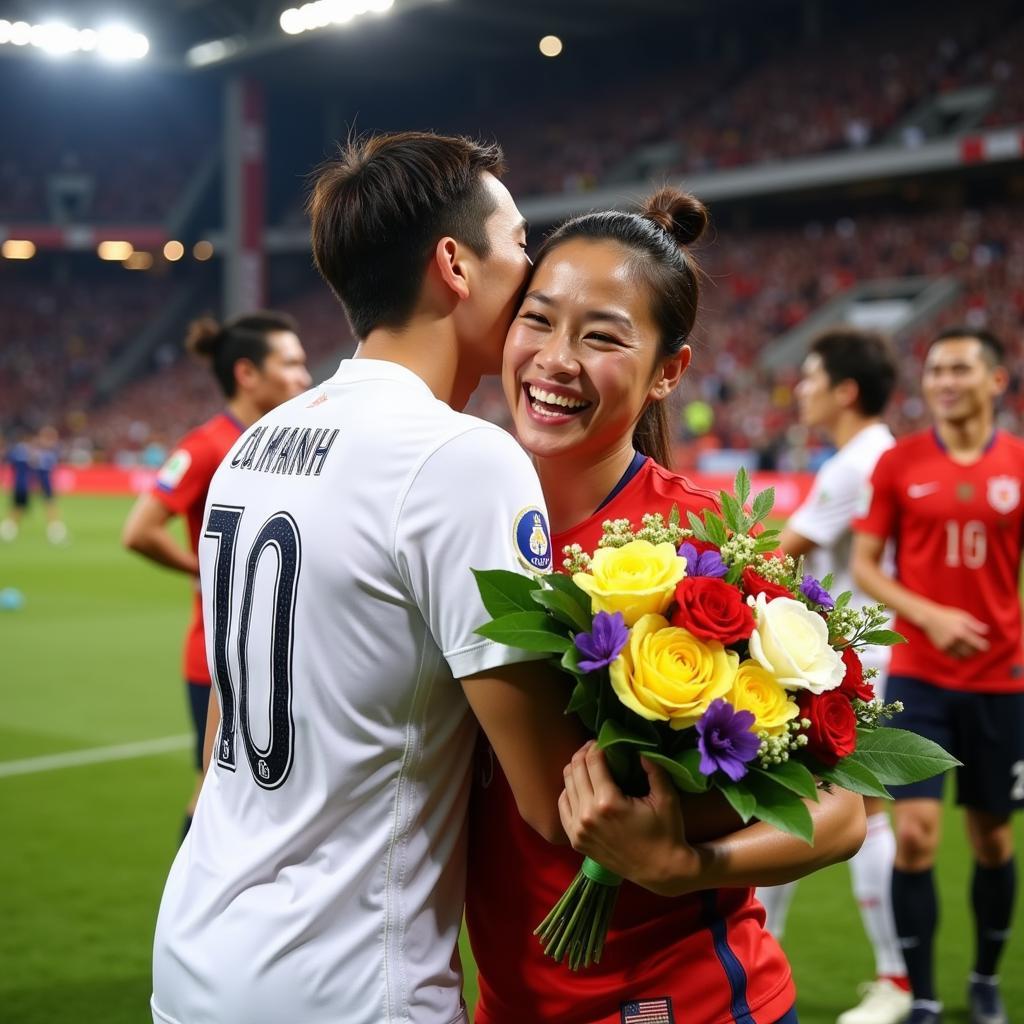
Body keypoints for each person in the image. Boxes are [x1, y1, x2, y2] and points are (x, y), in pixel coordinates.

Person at [150, 132, 590, 1024]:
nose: (533, 268)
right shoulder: (462, 459)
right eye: (518, 242)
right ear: (455, 265)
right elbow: (551, 801)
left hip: (197, 943)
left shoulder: (252, 445)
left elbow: (227, 724)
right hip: (343, 980)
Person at [466, 189, 867, 1024]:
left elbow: (840, 814)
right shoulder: (455, 514)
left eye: (603, 336)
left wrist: (689, 863)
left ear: (668, 374)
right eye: (536, 320)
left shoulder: (706, 548)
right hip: (507, 1003)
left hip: (687, 1004)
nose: (555, 359)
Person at [851, 327, 1024, 1024]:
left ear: (994, 382)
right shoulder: (898, 464)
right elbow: (866, 564)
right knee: (916, 834)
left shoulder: (1017, 462)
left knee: (993, 840)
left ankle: (984, 976)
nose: (944, 381)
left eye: (959, 369)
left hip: (1000, 680)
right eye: (935, 371)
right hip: (918, 676)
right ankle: (920, 993)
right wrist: (933, 616)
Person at [756, 329, 910, 1024]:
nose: (802, 388)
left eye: (812, 377)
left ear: (846, 391)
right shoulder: (884, 455)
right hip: (867, 658)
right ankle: (772, 947)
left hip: (858, 666)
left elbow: (778, 556)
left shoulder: (853, 466)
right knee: (792, 805)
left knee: (811, 809)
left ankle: (895, 979)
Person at [122, 311, 311, 840]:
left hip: (276, 654)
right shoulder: (205, 446)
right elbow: (139, 529)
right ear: (247, 373)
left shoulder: (285, 442)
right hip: (218, 656)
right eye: (291, 364)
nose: (305, 377)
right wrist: (209, 571)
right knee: (216, 791)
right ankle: (190, 910)